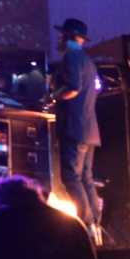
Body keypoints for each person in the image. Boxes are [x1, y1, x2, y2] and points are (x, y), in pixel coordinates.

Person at [49, 17, 102, 242]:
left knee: (71, 178)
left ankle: (86, 226)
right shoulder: (88, 61)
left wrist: (52, 97)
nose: (59, 39)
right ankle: (95, 227)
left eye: (62, 35)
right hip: (89, 130)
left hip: (75, 128)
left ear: (69, 36)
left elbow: (73, 88)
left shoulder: (71, 57)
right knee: (86, 179)